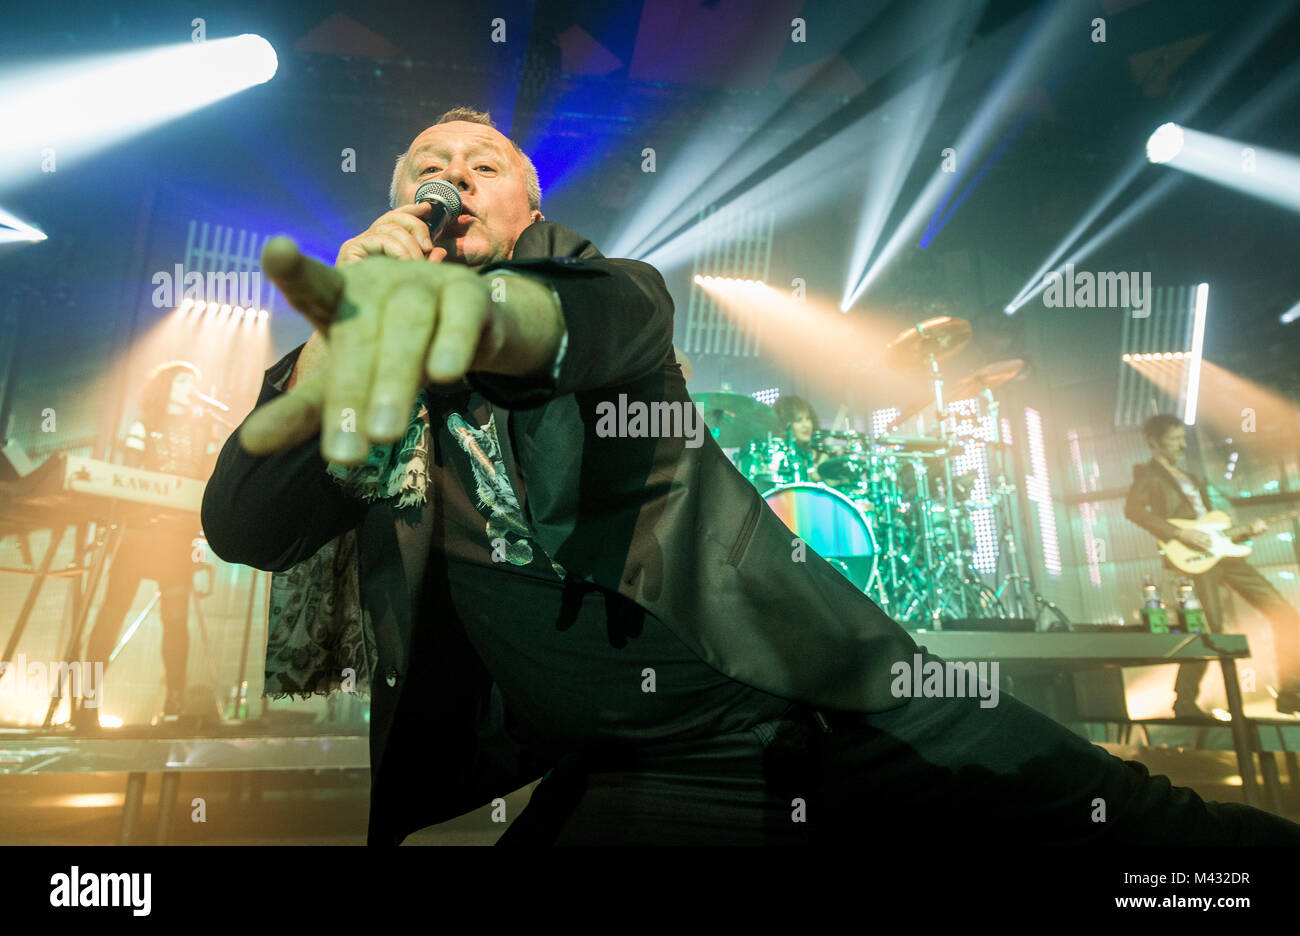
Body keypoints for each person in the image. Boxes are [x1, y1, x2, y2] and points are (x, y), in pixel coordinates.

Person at [202, 108, 1300, 844]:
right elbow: (244, 528)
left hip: (817, 694)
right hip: (640, 761)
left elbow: (558, 328)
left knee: (1137, 829)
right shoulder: (362, 375)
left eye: (480, 166)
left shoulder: (610, 293)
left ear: (529, 212)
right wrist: (331, 349)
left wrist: (474, 312)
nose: (450, 180)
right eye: (425, 174)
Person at [1125, 413, 1300, 717]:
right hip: (1193, 560)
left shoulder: (1190, 478)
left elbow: (1212, 525)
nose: (1182, 445)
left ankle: (1291, 692)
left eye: (1183, 438)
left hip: (1222, 554)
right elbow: (1133, 510)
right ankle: (1185, 701)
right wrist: (1180, 532)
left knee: (1283, 613)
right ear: (1154, 442)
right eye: (1175, 439)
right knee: (1210, 630)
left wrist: (1247, 530)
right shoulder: (1147, 474)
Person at [75, 361, 219, 729]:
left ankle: (174, 702)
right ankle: (85, 704)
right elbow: (126, 477)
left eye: (194, 381)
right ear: (167, 386)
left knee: (175, 620)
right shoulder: (144, 426)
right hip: (139, 534)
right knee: (111, 614)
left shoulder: (204, 430)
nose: (191, 386)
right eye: (184, 379)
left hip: (177, 538)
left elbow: (209, 480)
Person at [770, 394, 829, 483]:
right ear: (785, 424)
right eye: (799, 420)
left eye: (808, 419)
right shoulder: (780, 457)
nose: (806, 425)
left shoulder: (819, 454)